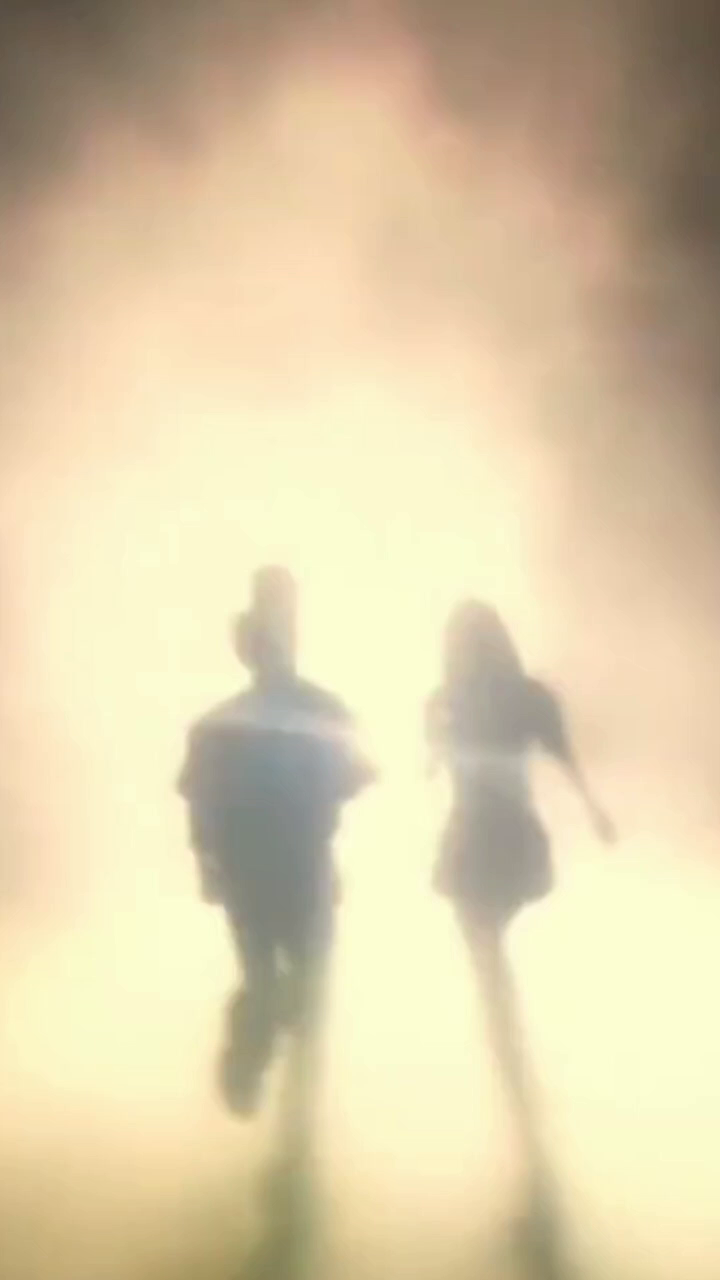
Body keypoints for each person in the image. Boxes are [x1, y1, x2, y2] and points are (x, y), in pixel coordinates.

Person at [178, 567, 375, 1115]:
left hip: (294, 866)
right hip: (264, 870)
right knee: (277, 982)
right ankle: (252, 1059)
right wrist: (207, 861)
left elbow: (354, 772)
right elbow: (201, 801)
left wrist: (208, 861)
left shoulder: (301, 712)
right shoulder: (230, 725)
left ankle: (260, 1067)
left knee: (296, 989)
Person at [426, 601, 615, 1149]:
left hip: (478, 836)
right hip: (503, 834)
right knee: (488, 948)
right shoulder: (523, 697)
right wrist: (594, 811)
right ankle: (509, 1048)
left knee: (485, 949)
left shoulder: (449, 699)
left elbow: (435, 762)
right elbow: (565, 758)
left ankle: (506, 1046)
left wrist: (594, 809)